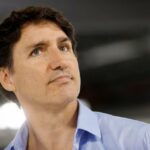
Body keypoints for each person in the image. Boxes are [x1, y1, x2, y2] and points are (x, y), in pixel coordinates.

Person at [0, 6, 149, 150]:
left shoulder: (140, 141)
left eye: (64, 48)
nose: (60, 62)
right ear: (7, 78)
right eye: (37, 51)